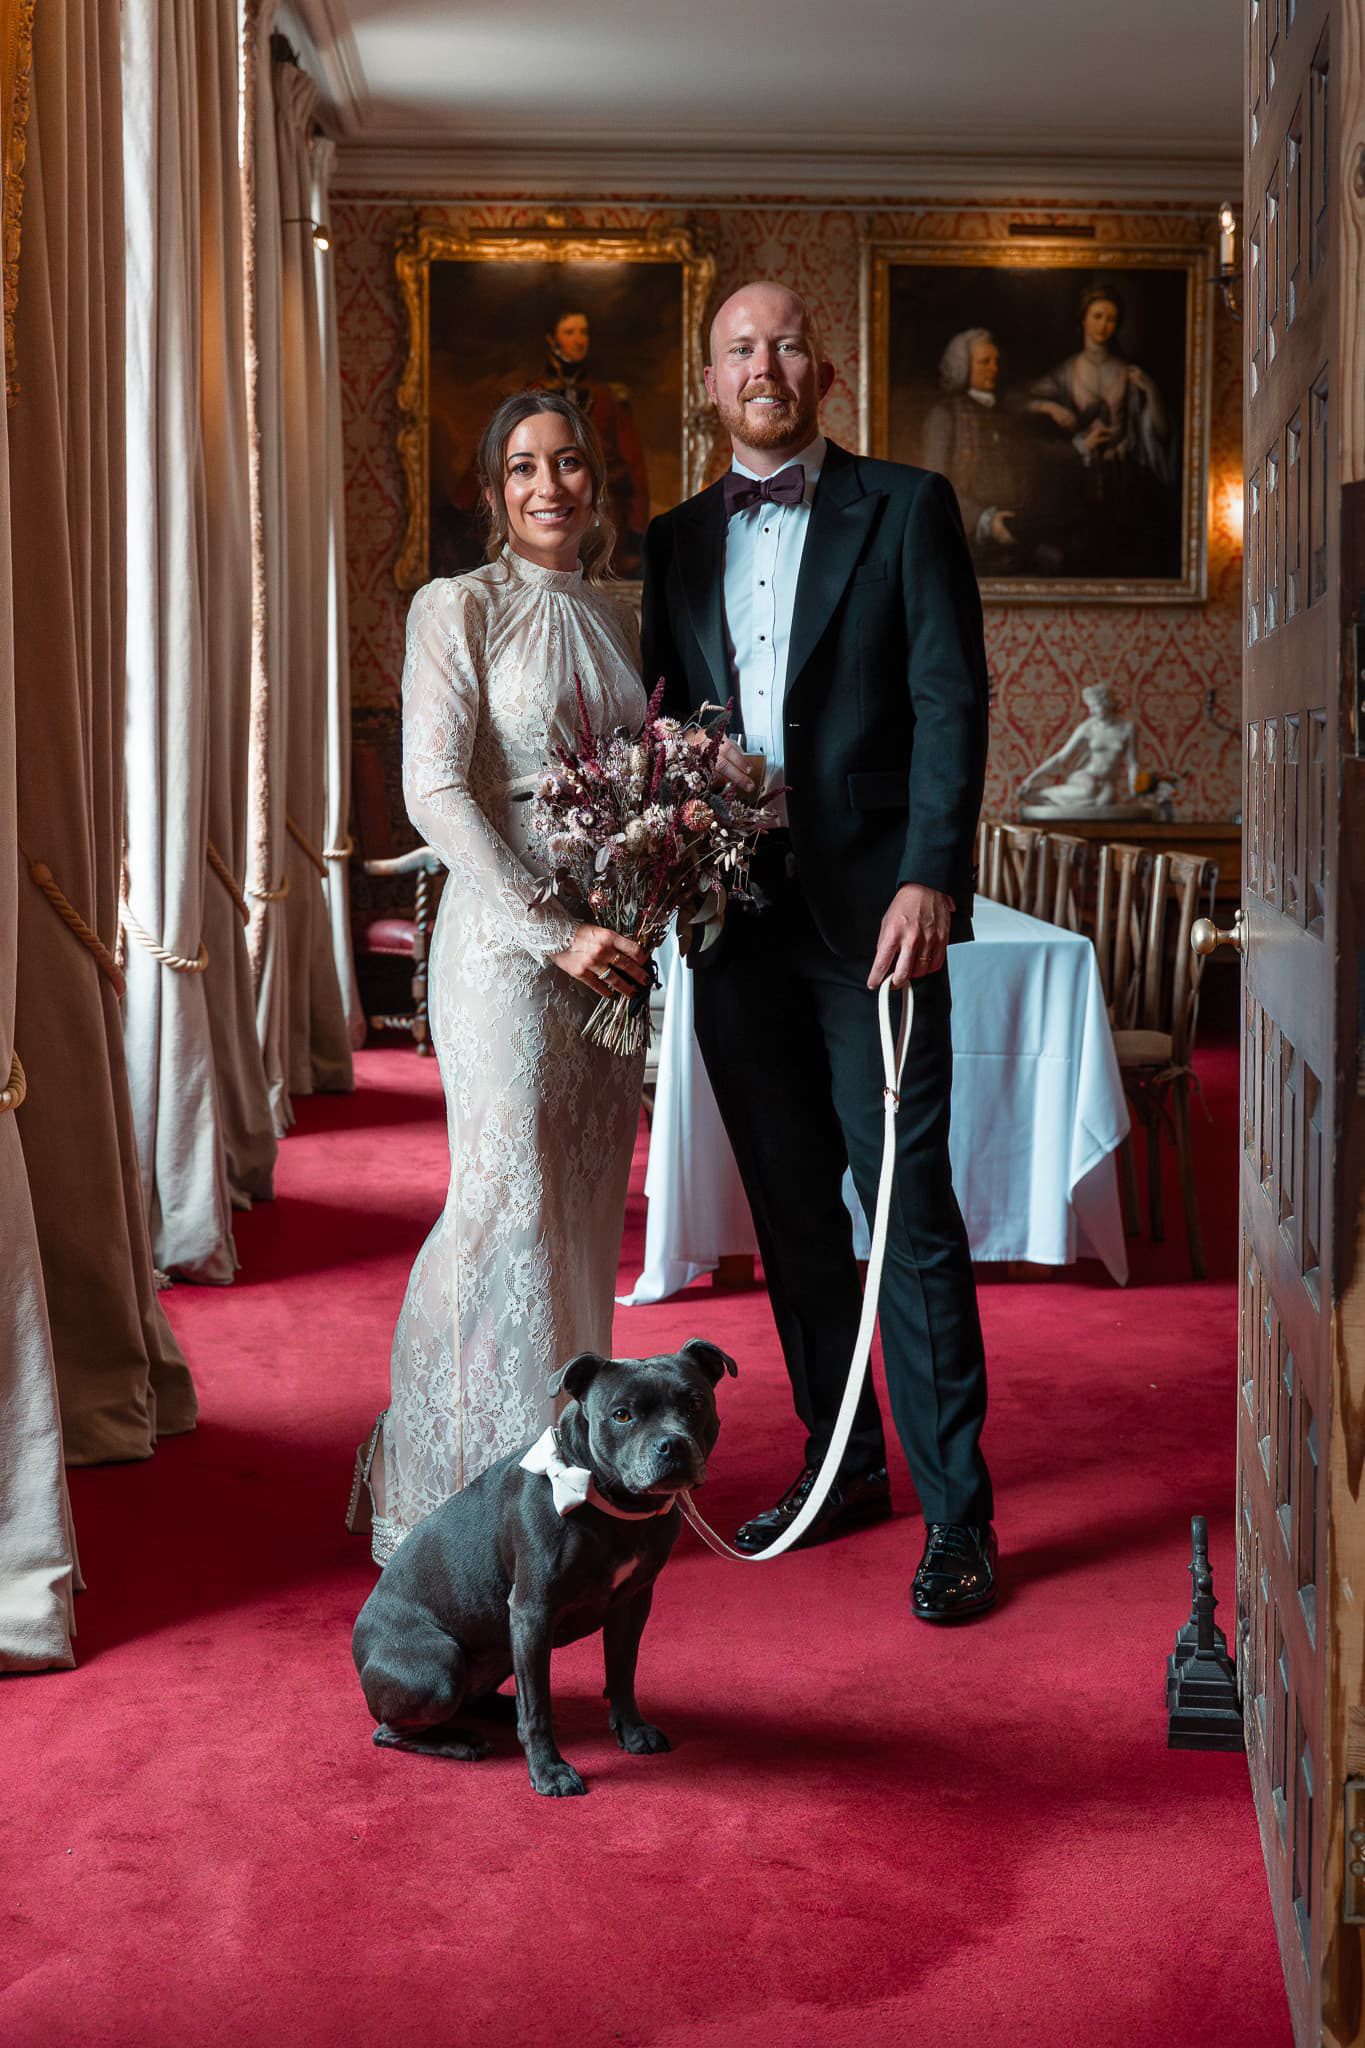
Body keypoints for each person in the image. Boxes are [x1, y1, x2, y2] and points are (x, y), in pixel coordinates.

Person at [641, 282, 997, 1621]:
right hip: (734, 926)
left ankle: (958, 1518)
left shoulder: (905, 507)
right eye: (740, 348)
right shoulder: (676, 538)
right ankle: (839, 1463)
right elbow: (662, 722)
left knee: (907, 1213)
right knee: (791, 1215)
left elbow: (950, 698)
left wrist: (931, 875)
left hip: (876, 922)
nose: (765, 366)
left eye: (786, 344)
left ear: (823, 372)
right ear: (711, 380)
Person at [348, 391, 651, 1566]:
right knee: (505, 1204)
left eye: (567, 462)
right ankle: (439, 1476)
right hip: (505, 948)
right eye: (523, 467)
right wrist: (548, 926)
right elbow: (433, 787)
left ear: (595, 482)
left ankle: (560, 1468)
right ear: (491, 490)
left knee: (580, 1206)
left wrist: (644, 900)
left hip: (608, 954)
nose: (548, 485)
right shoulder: (457, 606)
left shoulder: (625, 613)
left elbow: (650, 771)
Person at [1026, 281, 1178, 575]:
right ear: (1083, 319)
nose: (1103, 325)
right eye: (1097, 316)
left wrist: (1151, 392)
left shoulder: (1129, 373)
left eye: (1111, 318)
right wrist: (1049, 407)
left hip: (1122, 478)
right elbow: (1020, 403)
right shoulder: (1066, 371)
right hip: (1078, 479)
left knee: (1124, 555)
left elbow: (1160, 434)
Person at [920, 327, 1061, 577]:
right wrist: (984, 520)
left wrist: (1081, 446)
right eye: (985, 362)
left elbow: (1038, 454)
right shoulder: (945, 415)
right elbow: (934, 487)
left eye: (996, 361)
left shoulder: (1006, 414)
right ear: (963, 365)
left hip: (1017, 534)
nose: (994, 368)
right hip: (966, 542)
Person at [532, 308, 651, 576]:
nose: (579, 340)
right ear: (552, 339)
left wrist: (636, 529)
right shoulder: (533, 393)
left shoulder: (607, 396)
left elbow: (634, 466)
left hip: (605, 512)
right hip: (550, 509)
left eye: (583, 332)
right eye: (569, 332)